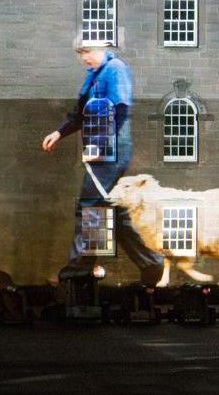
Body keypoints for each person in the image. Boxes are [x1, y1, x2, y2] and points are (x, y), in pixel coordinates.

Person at [41, 46, 164, 286]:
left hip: (111, 151)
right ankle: (151, 263)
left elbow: (120, 111)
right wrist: (59, 133)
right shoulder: (93, 76)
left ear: (103, 49)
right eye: (80, 53)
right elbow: (80, 115)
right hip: (101, 151)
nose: (84, 57)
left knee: (90, 205)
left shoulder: (115, 69)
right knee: (112, 208)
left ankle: (79, 270)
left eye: (88, 51)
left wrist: (103, 146)